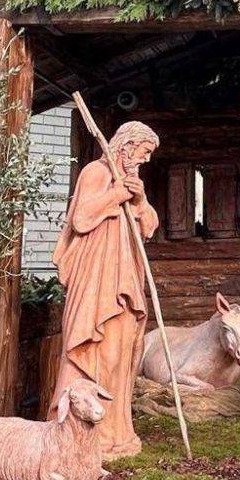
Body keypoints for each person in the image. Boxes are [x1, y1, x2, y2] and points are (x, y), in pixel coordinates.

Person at [49, 121, 159, 458]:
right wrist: (116, 195)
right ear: (127, 146)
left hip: (124, 281)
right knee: (93, 350)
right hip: (96, 281)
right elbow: (81, 219)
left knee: (120, 353)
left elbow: (149, 227)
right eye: (145, 152)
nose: (146, 159)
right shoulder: (96, 172)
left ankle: (115, 432)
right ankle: (75, 433)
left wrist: (140, 201)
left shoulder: (132, 182)